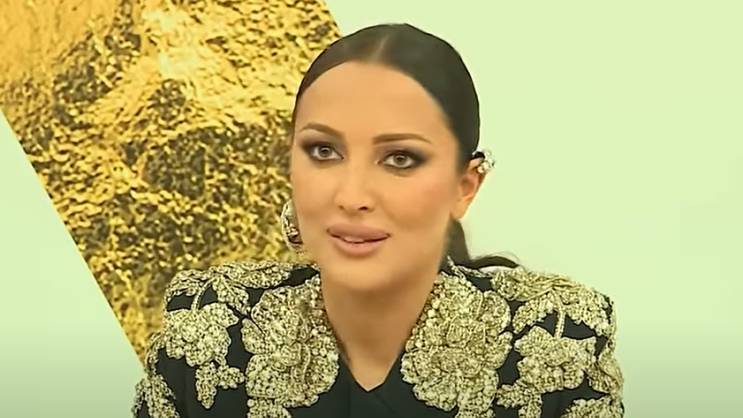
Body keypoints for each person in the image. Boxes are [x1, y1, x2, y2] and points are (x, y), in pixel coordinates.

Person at [132, 23, 624, 418]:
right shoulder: (207, 329)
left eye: (400, 159)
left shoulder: (557, 342)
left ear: (465, 186)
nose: (352, 196)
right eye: (323, 151)